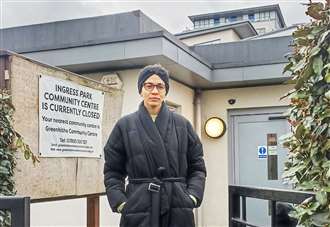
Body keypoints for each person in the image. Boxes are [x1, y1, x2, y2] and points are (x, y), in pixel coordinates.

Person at [104, 64, 206, 227]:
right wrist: (122, 203)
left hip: (177, 205)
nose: (154, 91)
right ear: (141, 90)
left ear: (165, 91)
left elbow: (197, 167)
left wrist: (192, 196)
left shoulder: (182, 124)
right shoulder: (124, 125)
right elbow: (113, 171)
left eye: (160, 86)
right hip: (139, 207)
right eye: (149, 85)